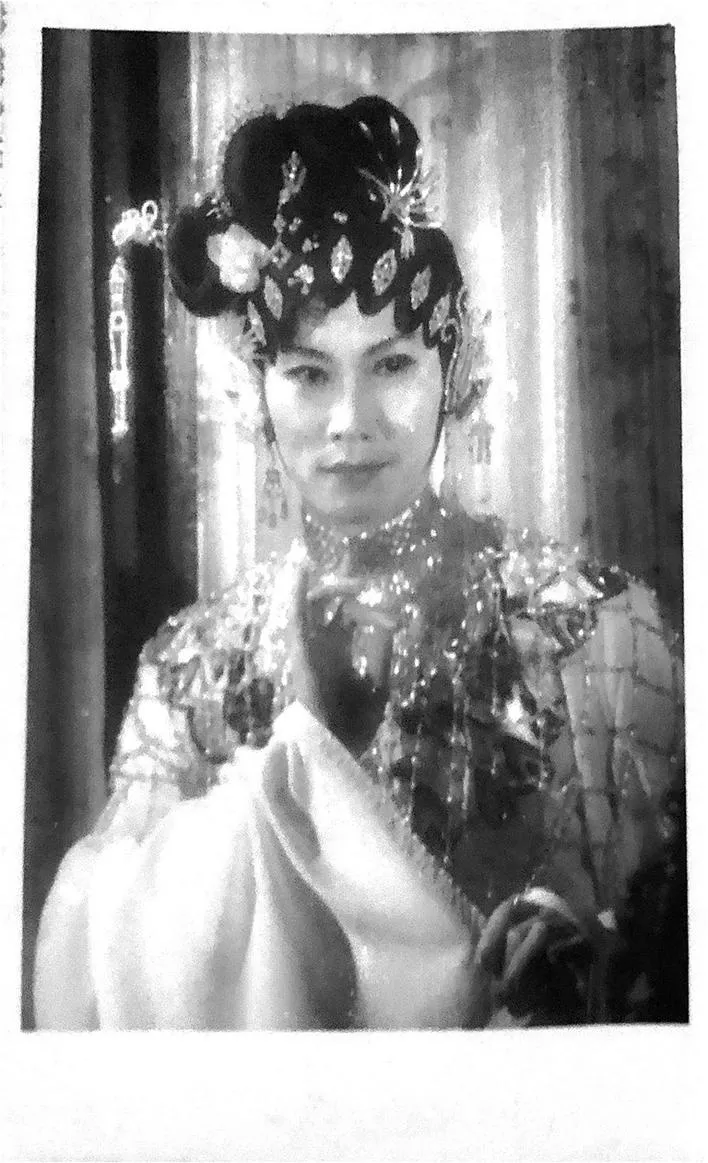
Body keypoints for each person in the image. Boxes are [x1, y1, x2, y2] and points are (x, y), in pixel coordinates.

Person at [33, 96, 684, 1030]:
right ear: (255, 390)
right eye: (308, 373)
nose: (351, 421)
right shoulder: (188, 671)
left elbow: (680, 945)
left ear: (454, 369)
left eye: (391, 366)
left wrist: (594, 956)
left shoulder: (603, 634)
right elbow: (109, 975)